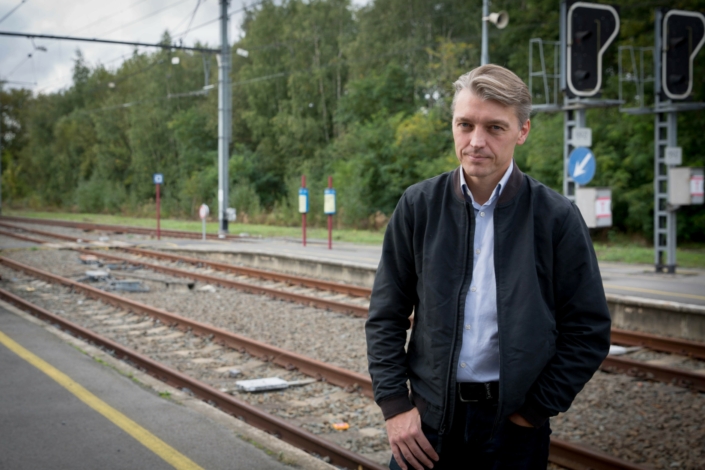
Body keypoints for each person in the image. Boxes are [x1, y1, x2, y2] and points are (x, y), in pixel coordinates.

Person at [365, 64, 611, 470]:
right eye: (465, 124)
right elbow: (385, 315)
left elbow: (588, 329)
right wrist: (394, 406)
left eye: (495, 128)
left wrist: (533, 412)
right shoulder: (418, 206)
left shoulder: (556, 217)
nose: (475, 141)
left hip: (514, 430)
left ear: (523, 131)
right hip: (426, 426)